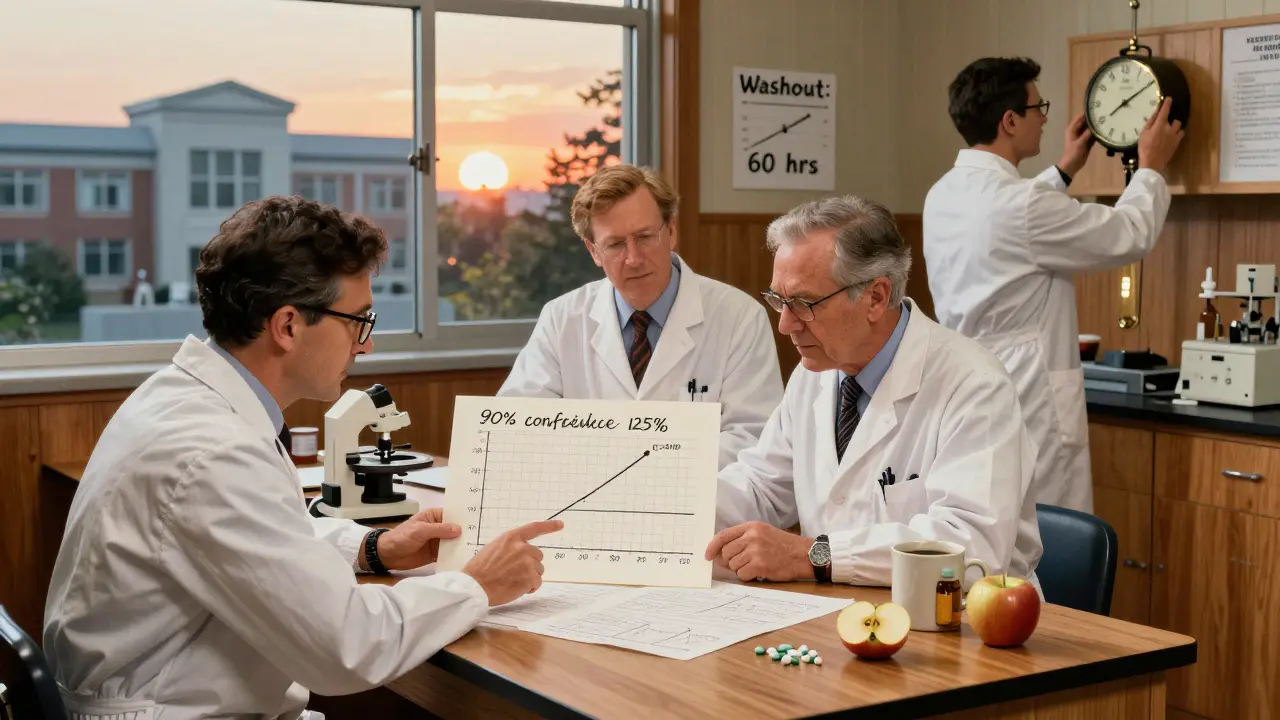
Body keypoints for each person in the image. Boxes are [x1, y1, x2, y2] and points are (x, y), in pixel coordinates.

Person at [43, 196, 562, 718]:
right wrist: (475, 585)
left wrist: (375, 548)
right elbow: (346, 647)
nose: (367, 346)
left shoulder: (186, 398)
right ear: (288, 326)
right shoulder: (212, 451)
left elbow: (259, 541)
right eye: (358, 320)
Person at [705, 195, 1042, 589]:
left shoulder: (974, 385)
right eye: (779, 300)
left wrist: (811, 555)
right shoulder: (815, 373)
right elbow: (762, 484)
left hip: (964, 623)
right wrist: (666, 509)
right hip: (843, 614)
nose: (785, 325)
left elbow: (971, 546)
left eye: (803, 303)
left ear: (876, 297)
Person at [922, 57, 1184, 512]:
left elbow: (1015, 220)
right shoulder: (1022, 207)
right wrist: (1151, 168)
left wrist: (1063, 170)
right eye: (1037, 106)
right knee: (1045, 535)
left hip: (965, 391)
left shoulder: (944, 192)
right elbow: (1128, 232)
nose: (1045, 117)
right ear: (1009, 121)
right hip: (1031, 396)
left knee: (988, 526)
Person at [499, 164, 783, 469]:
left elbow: (753, 439)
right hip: (586, 506)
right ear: (594, 251)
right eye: (615, 244)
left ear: (671, 231)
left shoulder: (739, 317)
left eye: (645, 237)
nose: (633, 259)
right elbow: (517, 425)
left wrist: (638, 466)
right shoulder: (561, 318)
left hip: (701, 507)